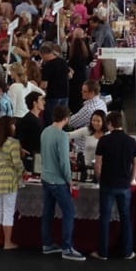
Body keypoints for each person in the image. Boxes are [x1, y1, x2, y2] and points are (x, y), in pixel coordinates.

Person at [91, 110, 136, 261]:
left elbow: (98, 165)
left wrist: (100, 180)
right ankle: (127, 252)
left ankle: (103, 252)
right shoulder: (131, 141)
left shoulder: (103, 141)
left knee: (104, 218)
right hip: (124, 184)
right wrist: (131, 179)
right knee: (125, 218)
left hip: (107, 183)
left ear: (109, 124)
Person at [39, 105, 85, 261]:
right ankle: (67, 247)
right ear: (66, 118)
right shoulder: (62, 136)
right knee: (69, 212)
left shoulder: (45, 131)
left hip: (45, 177)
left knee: (48, 212)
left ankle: (47, 244)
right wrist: (70, 180)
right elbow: (64, 162)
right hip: (58, 181)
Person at [0, 116, 22, 250]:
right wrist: (22, 173)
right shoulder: (13, 143)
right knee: (8, 211)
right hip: (8, 181)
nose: (15, 127)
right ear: (8, 127)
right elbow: (17, 164)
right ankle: (7, 242)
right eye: (13, 125)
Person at [16, 91, 46, 170]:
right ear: (34, 103)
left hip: (36, 157)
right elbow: (18, 136)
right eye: (41, 100)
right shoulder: (28, 119)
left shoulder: (37, 119)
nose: (44, 102)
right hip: (30, 159)